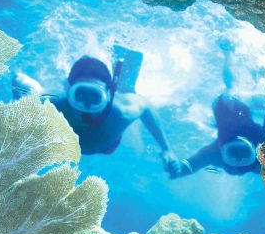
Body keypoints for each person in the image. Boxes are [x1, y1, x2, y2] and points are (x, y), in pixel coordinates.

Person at [12, 55, 179, 171]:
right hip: (99, 140)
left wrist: (167, 149)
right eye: (80, 94)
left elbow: (145, 106)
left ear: (107, 96)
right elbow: (19, 82)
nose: (85, 104)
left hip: (107, 145)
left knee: (127, 89)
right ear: (68, 89)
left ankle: (122, 80)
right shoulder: (52, 105)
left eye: (95, 97)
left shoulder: (121, 112)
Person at [168, 75, 265, 178]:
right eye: (243, 152)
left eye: (234, 153)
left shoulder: (213, 153)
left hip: (234, 120)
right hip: (243, 124)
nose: (239, 158)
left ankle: (229, 57)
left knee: (232, 93)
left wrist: (177, 169)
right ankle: (236, 78)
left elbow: (187, 167)